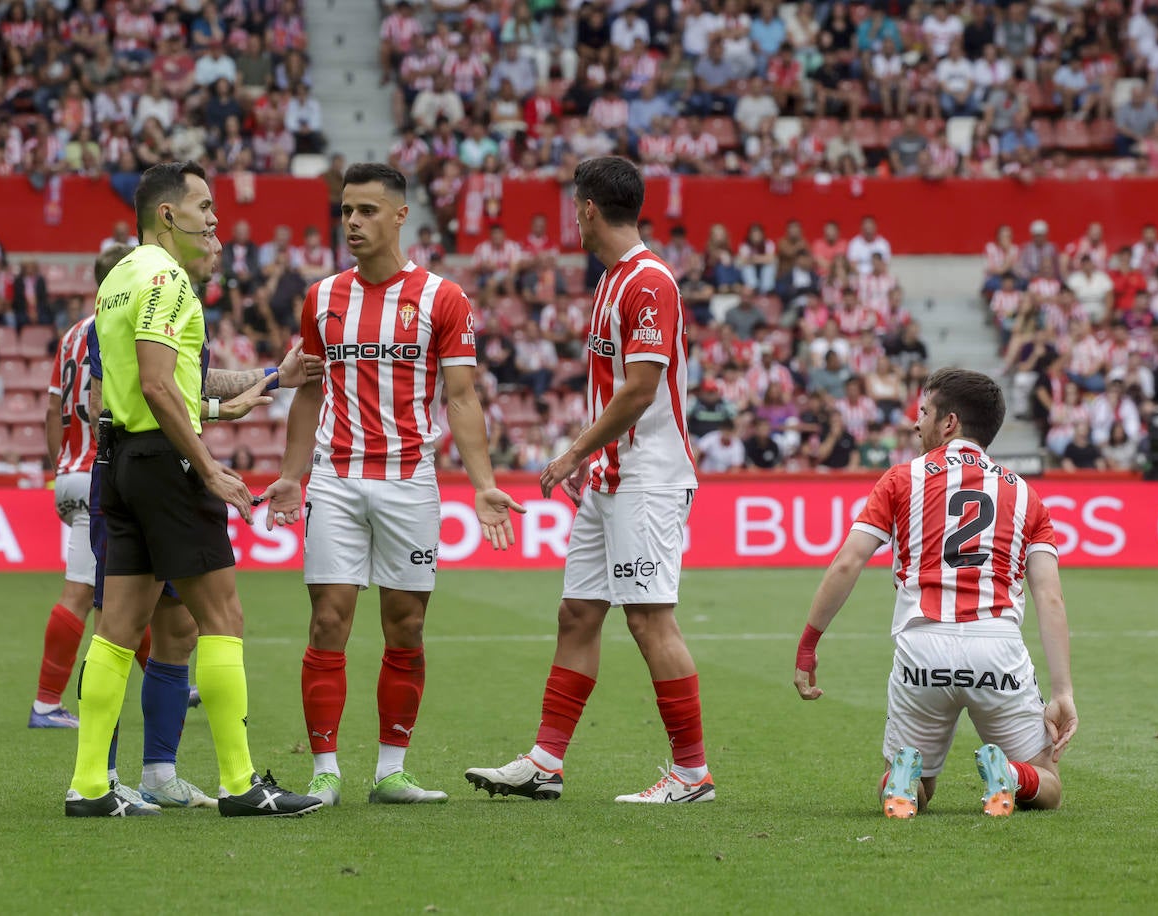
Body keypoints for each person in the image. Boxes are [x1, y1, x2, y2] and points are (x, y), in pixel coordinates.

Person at [260, 162, 525, 807]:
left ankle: (391, 770)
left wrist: (483, 482)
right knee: (329, 619)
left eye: (367, 211)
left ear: (401, 215)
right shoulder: (320, 299)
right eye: (346, 210)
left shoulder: (443, 298)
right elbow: (307, 392)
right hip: (337, 479)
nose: (352, 222)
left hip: (411, 482)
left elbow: (461, 399)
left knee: (406, 625)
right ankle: (325, 771)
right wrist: (292, 476)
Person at [65, 160, 320, 818]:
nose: (213, 217)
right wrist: (207, 467)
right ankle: (240, 785)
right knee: (223, 618)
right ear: (166, 215)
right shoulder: (166, 278)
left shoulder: (118, 278)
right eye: (203, 205)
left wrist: (244, 396)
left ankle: (91, 786)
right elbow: (157, 384)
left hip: (118, 461)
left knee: (118, 629)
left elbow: (146, 389)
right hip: (164, 465)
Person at [465, 157, 711, 805]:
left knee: (650, 620)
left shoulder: (648, 281)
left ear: (590, 210)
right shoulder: (613, 281)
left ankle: (691, 774)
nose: (574, 218)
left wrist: (573, 452)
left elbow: (639, 390)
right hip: (613, 478)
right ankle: (545, 762)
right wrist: (592, 463)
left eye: (576, 207)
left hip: (648, 478)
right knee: (577, 614)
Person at [793, 368, 1078, 819]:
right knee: (1047, 784)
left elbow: (848, 562)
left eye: (923, 411)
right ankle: (1009, 774)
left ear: (949, 423)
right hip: (997, 651)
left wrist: (809, 643)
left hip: (921, 650)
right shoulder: (1027, 495)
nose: (915, 422)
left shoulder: (899, 480)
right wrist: (1062, 689)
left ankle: (903, 780)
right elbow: (1051, 599)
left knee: (918, 787)